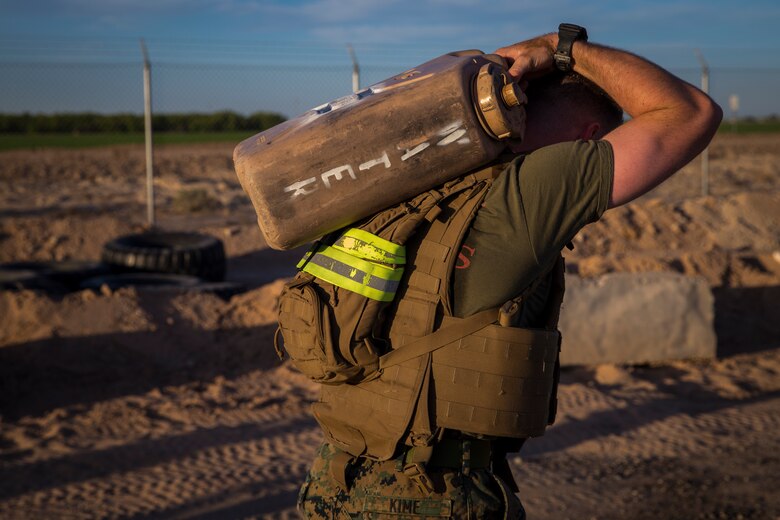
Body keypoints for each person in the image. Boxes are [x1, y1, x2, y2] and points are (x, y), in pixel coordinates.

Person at [293, 25, 722, 518]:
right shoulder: (530, 191)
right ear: (591, 139)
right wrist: (566, 50)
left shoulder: (418, 186)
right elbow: (691, 114)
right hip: (428, 496)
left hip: (333, 481)